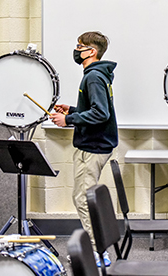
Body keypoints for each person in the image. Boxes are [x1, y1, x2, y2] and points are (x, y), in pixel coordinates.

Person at [50, 31, 118, 267]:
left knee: (82, 199)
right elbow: (95, 108)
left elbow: (101, 114)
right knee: (84, 198)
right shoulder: (97, 75)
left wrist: (67, 121)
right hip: (95, 145)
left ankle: (98, 252)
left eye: (81, 46)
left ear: (92, 51)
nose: (77, 49)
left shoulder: (93, 77)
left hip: (93, 147)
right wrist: (71, 110)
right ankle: (97, 248)